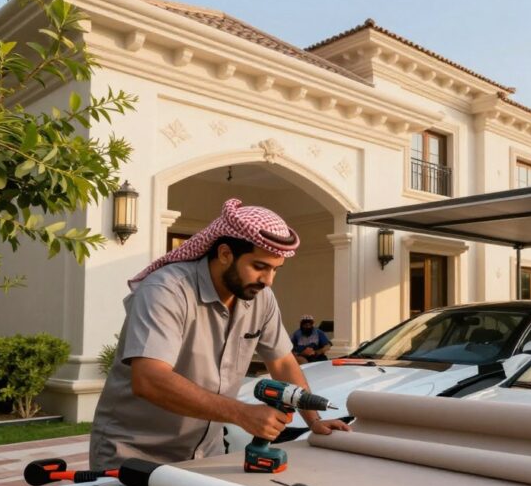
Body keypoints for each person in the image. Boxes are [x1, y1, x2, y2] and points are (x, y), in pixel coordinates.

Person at [89, 198, 350, 469]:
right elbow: (150, 380)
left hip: (206, 454)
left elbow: (283, 362)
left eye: (275, 269)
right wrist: (241, 413)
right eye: (259, 267)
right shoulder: (166, 290)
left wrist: (314, 421)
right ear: (225, 254)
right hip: (134, 455)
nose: (268, 280)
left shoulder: (261, 298)